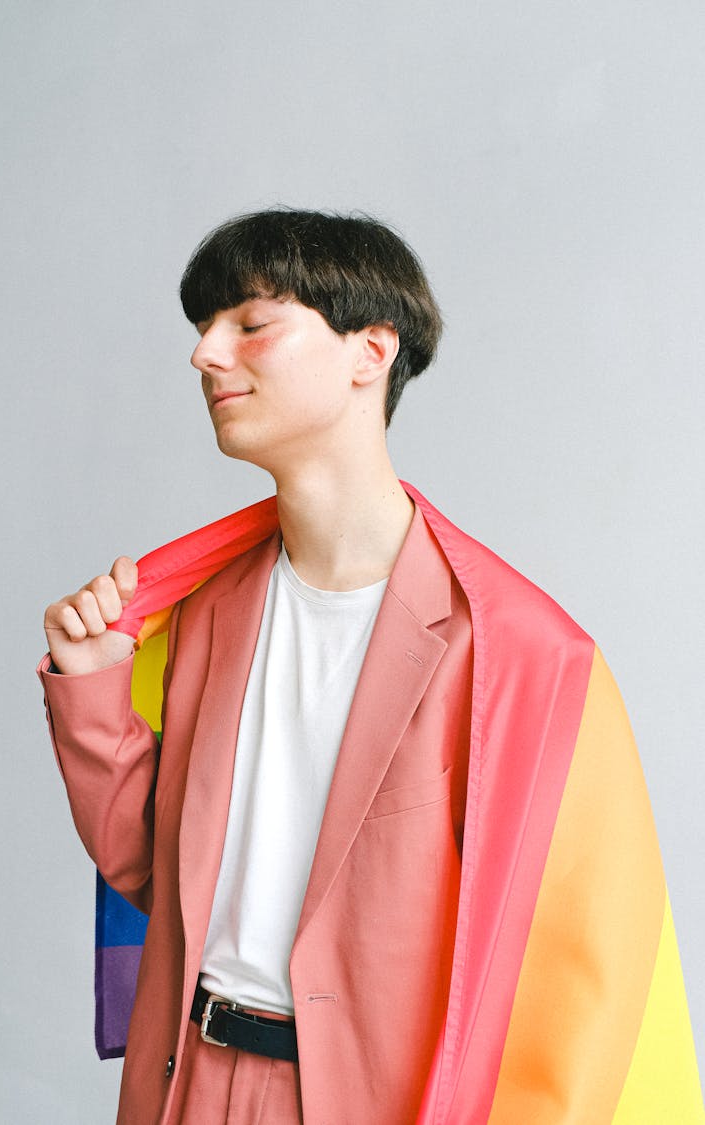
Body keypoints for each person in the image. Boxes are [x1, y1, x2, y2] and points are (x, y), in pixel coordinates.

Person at [38, 210, 702, 1125]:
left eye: (249, 322)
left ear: (371, 351)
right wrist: (91, 690)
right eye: (202, 329)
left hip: (374, 1101)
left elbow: (578, 970)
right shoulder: (204, 612)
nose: (205, 354)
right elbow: (151, 870)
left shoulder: (519, 658)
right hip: (187, 1080)